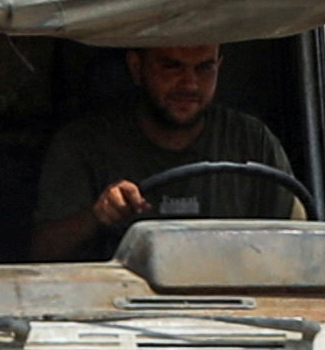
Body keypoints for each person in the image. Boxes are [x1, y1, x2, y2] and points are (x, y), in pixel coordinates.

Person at [31, 43, 298, 263]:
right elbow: (41, 255)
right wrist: (98, 215)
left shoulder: (252, 142)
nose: (190, 84)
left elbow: (303, 246)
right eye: (172, 66)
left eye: (205, 68)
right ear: (136, 67)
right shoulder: (84, 144)